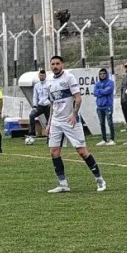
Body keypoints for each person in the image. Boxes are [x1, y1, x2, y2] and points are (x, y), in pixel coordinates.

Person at [45, 55, 107, 193]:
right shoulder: (49, 80)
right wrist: (49, 124)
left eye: (57, 64)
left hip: (70, 120)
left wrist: (74, 114)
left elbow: (78, 98)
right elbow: (52, 104)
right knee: (54, 152)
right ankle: (63, 184)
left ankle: (99, 179)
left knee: (82, 151)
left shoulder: (69, 77)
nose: (55, 66)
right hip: (56, 121)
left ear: (63, 64)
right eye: (53, 64)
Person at [25, 68, 51, 145]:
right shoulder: (37, 85)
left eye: (43, 75)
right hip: (40, 105)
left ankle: (49, 137)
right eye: (40, 75)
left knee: (49, 121)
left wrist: (50, 102)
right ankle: (32, 133)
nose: (41, 76)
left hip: (48, 105)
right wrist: (34, 106)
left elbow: (51, 94)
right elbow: (35, 96)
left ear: (45, 76)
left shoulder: (49, 84)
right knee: (32, 115)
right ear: (38, 76)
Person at [92, 68, 116, 146]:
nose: (102, 75)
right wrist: (102, 91)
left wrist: (99, 91)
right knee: (101, 123)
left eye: (104, 73)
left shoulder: (110, 83)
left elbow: (108, 91)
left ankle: (112, 139)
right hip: (99, 107)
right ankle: (104, 139)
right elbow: (94, 93)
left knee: (110, 122)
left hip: (108, 106)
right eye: (100, 74)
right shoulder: (97, 84)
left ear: (106, 74)